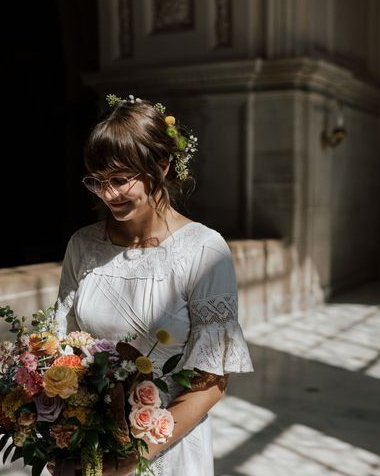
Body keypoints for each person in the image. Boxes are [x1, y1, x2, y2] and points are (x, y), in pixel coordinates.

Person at [53, 94, 254, 475]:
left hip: (168, 450)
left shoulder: (204, 250)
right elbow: (62, 347)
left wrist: (132, 458)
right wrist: (57, 439)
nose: (108, 194)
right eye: (97, 181)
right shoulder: (83, 245)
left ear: (160, 167)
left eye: (119, 179)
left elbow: (211, 382)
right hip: (91, 447)